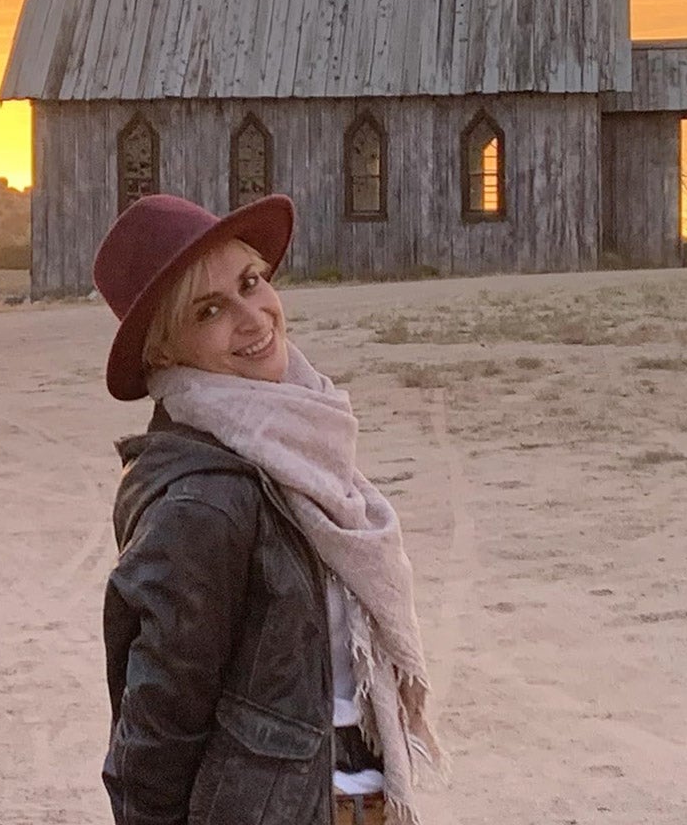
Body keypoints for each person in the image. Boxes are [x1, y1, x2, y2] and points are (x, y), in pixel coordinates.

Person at [92, 193, 444, 825]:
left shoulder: (297, 444)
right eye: (209, 310)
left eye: (250, 283)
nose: (253, 317)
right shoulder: (205, 501)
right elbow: (155, 731)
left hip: (357, 800)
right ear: (165, 351)